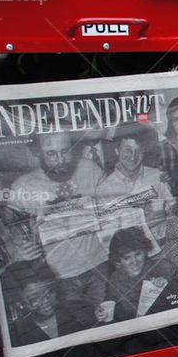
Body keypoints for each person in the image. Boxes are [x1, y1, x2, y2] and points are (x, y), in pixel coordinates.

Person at [10, 132, 108, 308]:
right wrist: (18, 250)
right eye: (51, 153)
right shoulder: (23, 185)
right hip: (58, 277)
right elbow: (7, 223)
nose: (60, 159)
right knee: (74, 331)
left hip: (99, 265)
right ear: (38, 153)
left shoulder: (89, 168)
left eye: (65, 151)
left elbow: (114, 204)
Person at [96, 123, 173, 242]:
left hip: (164, 246)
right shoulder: (104, 189)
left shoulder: (157, 176)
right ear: (117, 150)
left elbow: (174, 208)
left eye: (138, 150)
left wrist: (166, 212)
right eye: (127, 150)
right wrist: (145, 223)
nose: (133, 156)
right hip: (131, 256)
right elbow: (107, 233)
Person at [0, 260, 92, 347]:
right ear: (18, 303)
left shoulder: (78, 311)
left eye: (49, 292)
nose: (46, 300)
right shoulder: (15, 333)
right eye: (34, 299)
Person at [100, 227, 176, 323]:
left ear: (145, 252)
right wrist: (102, 313)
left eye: (138, 254)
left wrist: (167, 285)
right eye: (127, 258)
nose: (135, 262)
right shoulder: (115, 280)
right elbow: (109, 303)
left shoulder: (163, 267)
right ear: (118, 261)